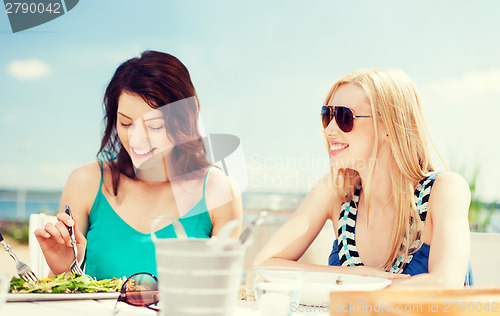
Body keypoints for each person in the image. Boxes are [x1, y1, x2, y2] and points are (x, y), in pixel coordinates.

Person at [251, 68, 472, 287]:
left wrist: (352, 287)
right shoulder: (335, 192)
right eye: (327, 116)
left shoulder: (444, 190)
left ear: (388, 126)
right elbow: (260, 268)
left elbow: (444, 285)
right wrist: (355, 278)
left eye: (344, 117)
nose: (329, 130)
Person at [35, 51, 243, 280]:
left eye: (154, 126)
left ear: (185, 122)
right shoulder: (86, 182)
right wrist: (63, 270)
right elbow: (59, 300)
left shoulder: (218, 190)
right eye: (125, 123)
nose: (137, 139)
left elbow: (223, 293)